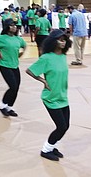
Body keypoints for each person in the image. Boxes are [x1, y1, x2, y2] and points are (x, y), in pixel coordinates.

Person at [26, 30, 72, 162]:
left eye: (64, 40)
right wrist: (43, 80)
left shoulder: (63, 56)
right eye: (60, 40)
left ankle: (53, 146)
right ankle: (46, 150)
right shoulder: (46, 58)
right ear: (53, 41)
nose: (62, 42)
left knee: (66, 126)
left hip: (63, 96)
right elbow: (30, 70)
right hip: (50, 98)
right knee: (61, 126)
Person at [0, 18, 27, 117]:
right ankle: (2, 105)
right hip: (5, 66)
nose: (14, 27)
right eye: (12, 25)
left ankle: (9, 107)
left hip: (15, 66)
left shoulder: (18, 39)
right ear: (7, 27)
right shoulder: (1, 38)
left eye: (15, 25)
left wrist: (22, 53)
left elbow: (24, 45)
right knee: (12, 87)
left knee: (16, 88)